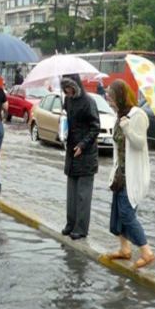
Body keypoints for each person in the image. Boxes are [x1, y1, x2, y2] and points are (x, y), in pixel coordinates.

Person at [105, 79, 155, 268]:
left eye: (111, 96)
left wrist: (126, 128)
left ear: (120, 96)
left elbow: (139, 143)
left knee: (127, 214)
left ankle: (147, 252)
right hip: (120, 173)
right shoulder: (119, 116)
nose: (108, 100)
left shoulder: (138, 115)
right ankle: (125, 250)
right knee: (117, 215)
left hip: (133, 175)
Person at [60, 74, 100, 240]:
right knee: (72, 194)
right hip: (71, 151)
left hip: (86, 155)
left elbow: (95, 127)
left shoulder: (89, 102)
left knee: (83, 195)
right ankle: (71, 224)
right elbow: (67, 120)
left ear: (76, 86)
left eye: (69, 88)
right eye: (65, 89)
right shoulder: (68, 100)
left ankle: (81, 228)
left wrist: (83, 145)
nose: (68, 92)